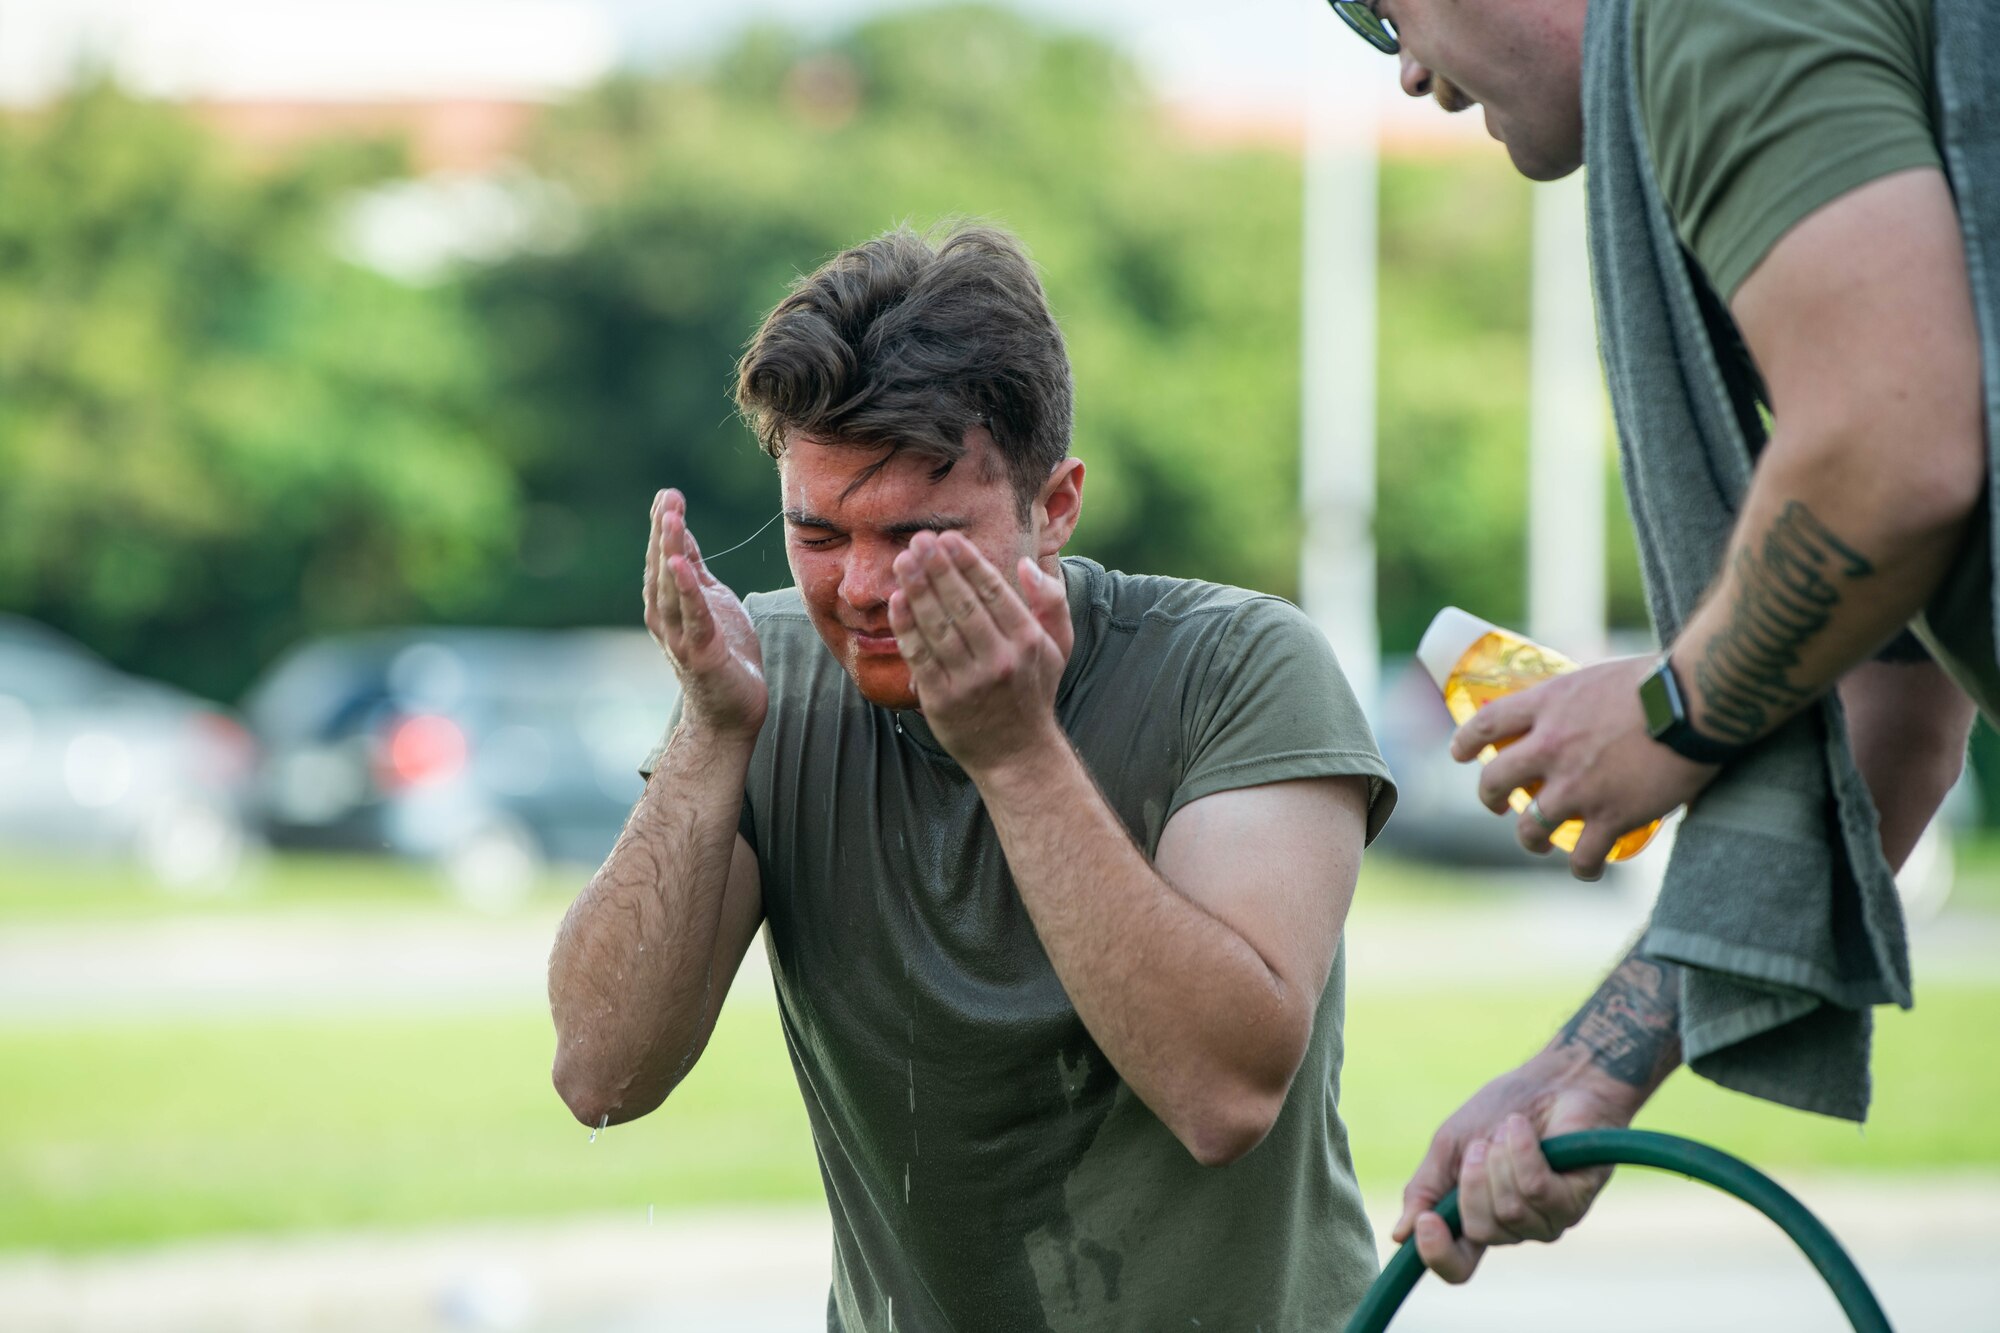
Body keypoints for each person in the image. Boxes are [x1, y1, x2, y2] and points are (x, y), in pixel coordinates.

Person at [545, 222, 1398, 1330]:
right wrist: (712, 730)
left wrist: (1013, 748)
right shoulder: (763, 680)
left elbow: (1222, 1092)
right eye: (815, 533)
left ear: (1054, 508)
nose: (861, 586)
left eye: (917, 536)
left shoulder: (1238, 664)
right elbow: (601, 1074)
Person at [1324, 0, 1995, 1285]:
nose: (1402, 67)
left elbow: (1893, 452)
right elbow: (1892, 707)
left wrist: (1671, 709)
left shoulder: (1714, 15)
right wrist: (1588, 1065)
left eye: (1377, 4)